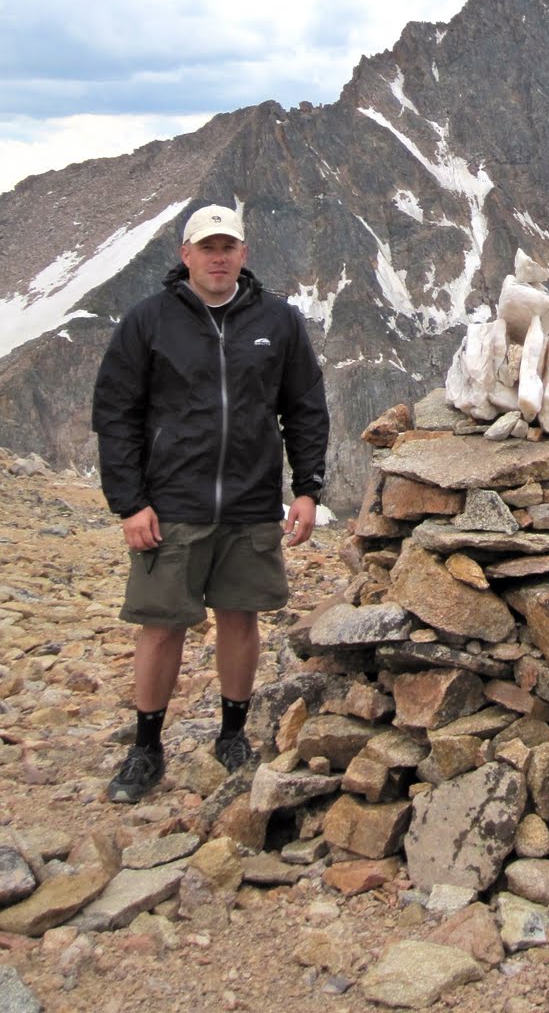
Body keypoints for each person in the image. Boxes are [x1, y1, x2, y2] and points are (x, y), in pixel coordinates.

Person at [92, 202, 329, 803]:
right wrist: (130, 503)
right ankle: (146, 749)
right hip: (172, 502)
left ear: (244, 254)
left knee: (240, 616)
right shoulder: (149, 321)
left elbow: (303, 407)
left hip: (251, 501)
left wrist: (307, 489)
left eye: (228, 247)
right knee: (161, 624)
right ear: (185, 254)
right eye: (207, 246)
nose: (218, 257)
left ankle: (232, 734)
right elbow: (117, 414)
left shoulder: (278, 321)